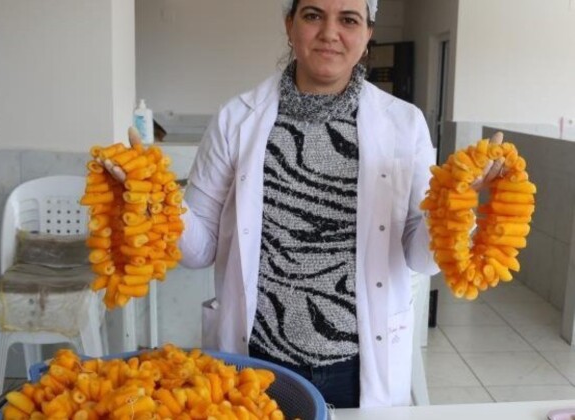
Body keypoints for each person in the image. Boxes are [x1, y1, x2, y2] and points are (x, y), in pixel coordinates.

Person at [105, 0, 499, 409]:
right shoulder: (236, 119)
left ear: (366, 36)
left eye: (349, 20)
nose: (330, 32)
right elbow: (199, 249)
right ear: (290, 26)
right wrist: (156, 199)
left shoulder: (405, 124)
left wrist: (457, 204)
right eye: (313, 15)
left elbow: (421, 258)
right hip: (257, 360)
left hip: (360, 364)